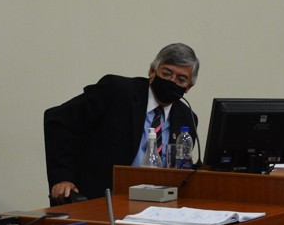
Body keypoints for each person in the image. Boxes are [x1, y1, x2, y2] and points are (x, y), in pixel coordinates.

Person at [44, 43, 200, 202]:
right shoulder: (116, 91)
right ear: (152, 72)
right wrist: (62, 178)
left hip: (158, 202)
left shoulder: (187, 118)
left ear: (189, 87)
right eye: (166, 73)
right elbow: (58, 120)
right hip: (102, 199)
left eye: (181, 79)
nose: (172, 81)